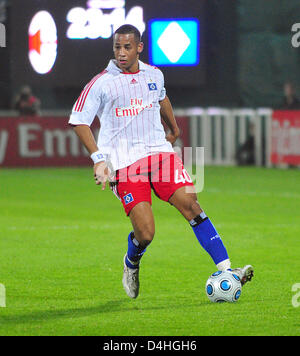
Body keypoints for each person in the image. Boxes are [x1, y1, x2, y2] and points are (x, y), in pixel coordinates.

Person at [69, 24, 254, 299]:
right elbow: (79, 120)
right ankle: (131, 261)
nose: (121, 52)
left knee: (191, 204)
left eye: (127, 47)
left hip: (159, 153)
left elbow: (161, 97)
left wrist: (174, 128)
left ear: (139, 47)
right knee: (145, 233)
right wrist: (98, 160)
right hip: (124, 162)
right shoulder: (101, 83)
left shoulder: (154, 74)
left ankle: (228, 269)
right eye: (117, 47)